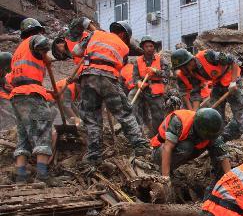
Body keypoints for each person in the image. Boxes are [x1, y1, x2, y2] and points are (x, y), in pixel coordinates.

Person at [73, 21, 150, 168]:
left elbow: (76, 51)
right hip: (109, 78)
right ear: (122, 34)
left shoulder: (94, 35)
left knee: (91, 118)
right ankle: (140, 146)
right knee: (124, 113)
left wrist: (90, 53)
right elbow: (121, 64)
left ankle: (93, 156)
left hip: (88, 77)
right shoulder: (124, 47)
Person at [170, 49, 243, 146]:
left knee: (240, 110)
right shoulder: (192, 74)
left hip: (231, 79)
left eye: (182, 68)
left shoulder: (208, 56)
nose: (182, 71)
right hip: (217, 83)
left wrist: (233, 82)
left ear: (189, 62)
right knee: (215, 114)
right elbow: (196, 94)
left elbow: (233, 60)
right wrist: (194, 113)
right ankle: (219, 141)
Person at [9, 18, 57, 184]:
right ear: (37, 30)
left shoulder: (18, 51)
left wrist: (48, 91)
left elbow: (14, 79)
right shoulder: (35, 39)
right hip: (31, 93)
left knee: (23, 136)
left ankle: (21, 175)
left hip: (17, 96)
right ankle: (42, 174)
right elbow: (43, 43)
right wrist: (49, 54)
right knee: (44, 130)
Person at [150, 108, 230, 179]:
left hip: (180, 151)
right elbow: (167, 148)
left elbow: (222, 154)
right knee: (186, 147)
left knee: (212, 146)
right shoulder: (179, 121)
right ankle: (165, 170)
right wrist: (165, 177)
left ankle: (218, 178)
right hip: (159, 152)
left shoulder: (210, 131)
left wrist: (230, 178)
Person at [132, 36, 169, 135]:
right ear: (143, 48)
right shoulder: (138, 61)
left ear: (154, 47)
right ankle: (138, 133)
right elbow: (135, 77)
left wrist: (155, 71)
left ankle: (157, 136)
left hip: (155, 90)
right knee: (133, 107)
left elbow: (167, 73)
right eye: (146, 46)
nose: (149, 48)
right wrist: (138, 82)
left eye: (151, 46)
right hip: (142, 89)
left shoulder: (160, 59)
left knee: (158, 115)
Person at [0, 52, 15, 130]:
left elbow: (5, 85)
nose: (6, 72)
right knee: (8, 108)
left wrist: (12, 90)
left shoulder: (2, 75)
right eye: (5, 70)